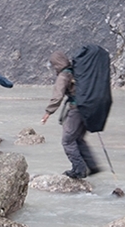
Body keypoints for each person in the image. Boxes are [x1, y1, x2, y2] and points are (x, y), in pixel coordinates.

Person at [41, 51, 100, 179]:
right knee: (78, 139)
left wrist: (48, 112)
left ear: (56, 64)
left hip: (76, 110)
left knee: (67, 141)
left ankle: (79, 170)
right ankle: (92, 166)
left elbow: (58, 96)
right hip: (87, 108)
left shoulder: (63, 76)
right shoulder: (76, 72)